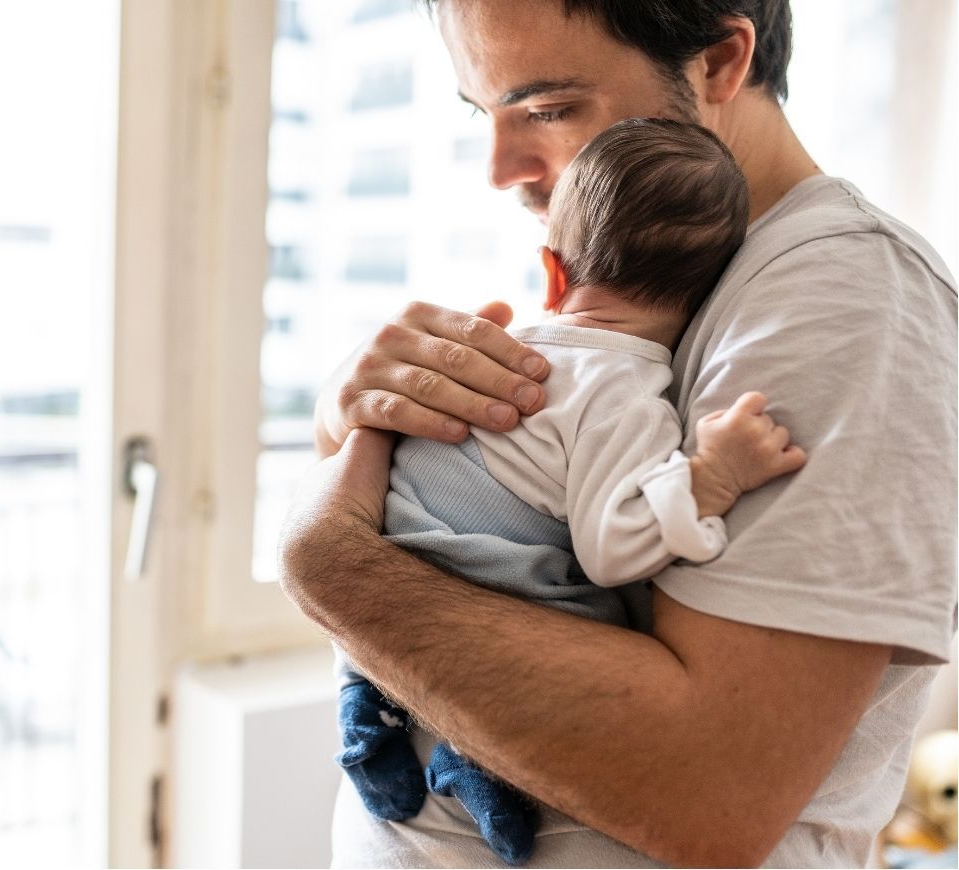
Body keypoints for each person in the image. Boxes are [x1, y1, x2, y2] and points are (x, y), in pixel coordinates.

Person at [277, 0, 958, 866]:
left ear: (717, 62)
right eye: (479, 112)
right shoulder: (646, 268)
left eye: (549, 109)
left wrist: (328, 562)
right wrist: (353, 429)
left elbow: (707, 791)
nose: (497, 168)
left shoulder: (840, 303)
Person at [334, 117, 807, 865]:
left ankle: (365, 701)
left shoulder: (506, 345)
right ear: (704, 300)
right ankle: (480, 756)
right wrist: (711, 479)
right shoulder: (620, 393)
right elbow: (612, 546)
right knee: (598, 617)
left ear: (553, 272)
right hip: (483, 563)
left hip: (399, 536)